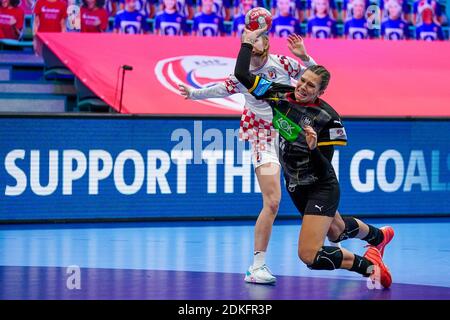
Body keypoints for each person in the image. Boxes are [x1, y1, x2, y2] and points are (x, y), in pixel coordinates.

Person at [234, 26, 394, 288]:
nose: (303, 87)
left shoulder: (328, 118)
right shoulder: (280, 93)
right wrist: (247, 44)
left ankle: (371, 268)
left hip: (320, 186)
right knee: (337, 231)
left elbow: (324, 168)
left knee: (310, 255)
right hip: (296, 186)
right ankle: (378, 237)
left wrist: (313, 147)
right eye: (302, 81)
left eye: (311, 86)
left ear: (320, 93)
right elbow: (242, 74)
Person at [179, 33, 317, 284]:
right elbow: (220, 89)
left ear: (267, 44)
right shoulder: (241, 74)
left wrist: (304, 56)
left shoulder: (284, 64)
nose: (254, 42)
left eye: (259, 38)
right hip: (261, 137)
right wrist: (193, 93)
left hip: (290, 136)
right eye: (250, 38)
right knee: (273, 201)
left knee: (311, 195)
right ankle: (257, 266)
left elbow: (315, 79)